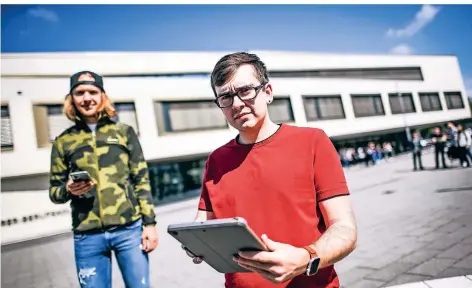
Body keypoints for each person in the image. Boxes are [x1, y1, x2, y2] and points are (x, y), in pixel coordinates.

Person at [184, 52, 358, 288]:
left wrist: (306, 258)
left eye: (245, 91)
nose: (236, 104)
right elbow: (203, 223)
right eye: (225, 97)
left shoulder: (312, 142)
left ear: (267, 92)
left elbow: (344, 228)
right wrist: (195, 240)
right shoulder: (216, 160)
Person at [49, 71, 158, 288]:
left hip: (129, 229)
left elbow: (141, 179)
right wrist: (69, 189)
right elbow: (54, 191)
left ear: (102, 96)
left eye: (93, 91)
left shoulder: (124, 132)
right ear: (72, 99)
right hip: (87, 237)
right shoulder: (63, 141)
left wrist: (150, 224)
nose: (87, 98)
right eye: (80, 93)